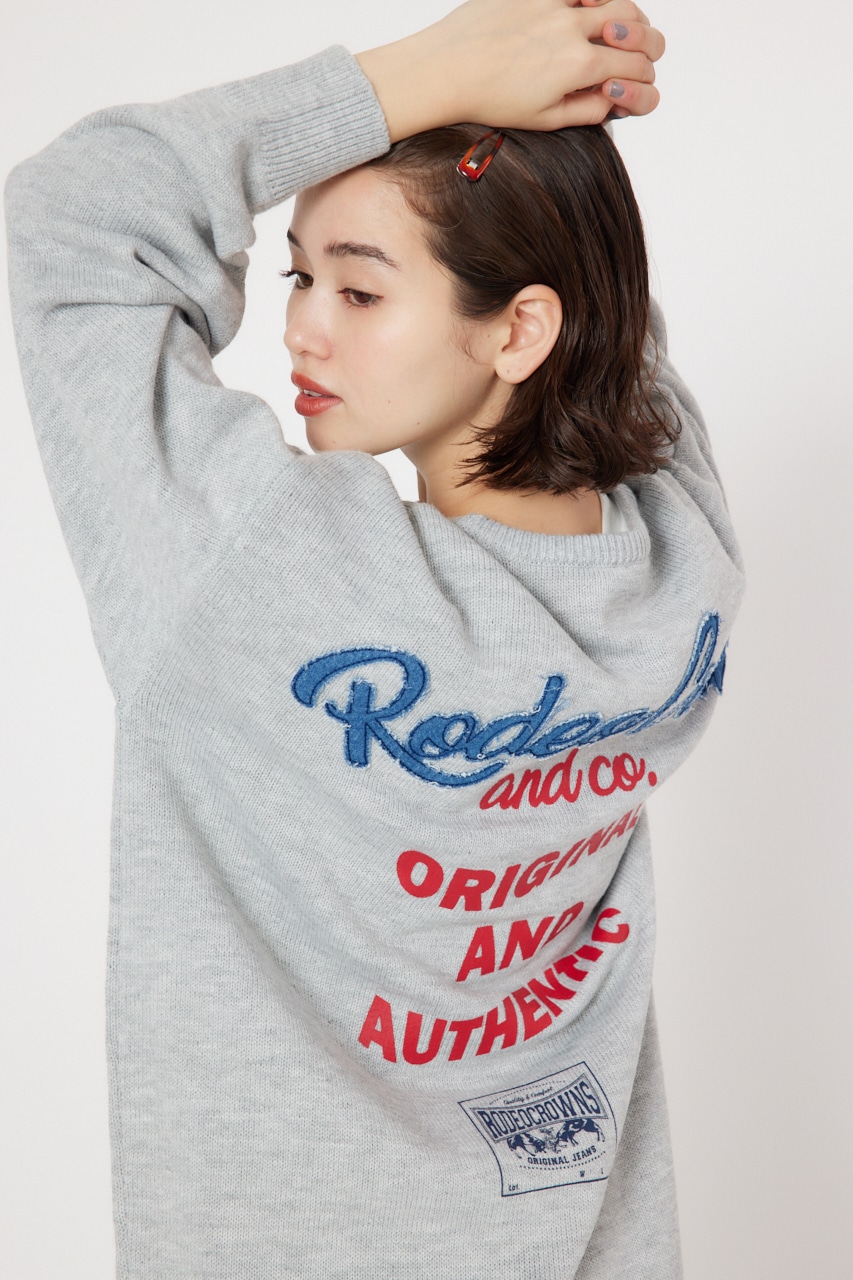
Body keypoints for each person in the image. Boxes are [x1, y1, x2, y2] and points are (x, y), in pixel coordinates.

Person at [4, 1, 743, 1276]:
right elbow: (609, 323)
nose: (300, 327)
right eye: (297, 274)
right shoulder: (686, 562)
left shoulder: (253, 570)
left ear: (520, 328)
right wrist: (530, 129)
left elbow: (76, 213)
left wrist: (421, 74)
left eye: (357, 287)